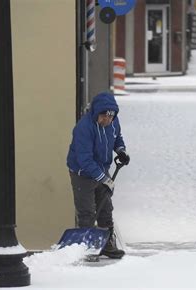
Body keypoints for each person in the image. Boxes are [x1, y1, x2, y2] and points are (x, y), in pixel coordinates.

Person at [67, 92, 130, 259]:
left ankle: (107, 244)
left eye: (110, 117)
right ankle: (86, 248)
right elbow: (84, 160)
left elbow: (117, 139)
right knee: (87, 212)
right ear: (96, 113)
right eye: (104, 117)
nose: (107, 121)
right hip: (82, 173)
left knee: (105, 209)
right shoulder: (83, 128)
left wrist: (121, 151)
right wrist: (105, 179)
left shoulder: (113, 121)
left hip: (102, 169)